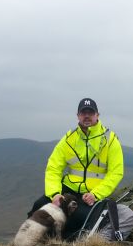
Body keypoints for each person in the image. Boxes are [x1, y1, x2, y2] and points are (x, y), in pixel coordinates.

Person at [29, 98, 125, 238]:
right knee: (39, 205)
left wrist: (96, 194)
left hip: (92, 194)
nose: (87, 116)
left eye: (90, 113)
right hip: (69, 189)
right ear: (78, 115)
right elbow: (53, 168)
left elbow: (116, 172)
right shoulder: (69, 139)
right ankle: (31, 241)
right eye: (83, 113)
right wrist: (55, 194)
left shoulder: (110, 140)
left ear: (97, 115)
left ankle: (62, 244)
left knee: (78, 218)